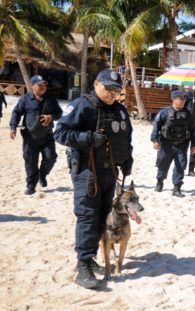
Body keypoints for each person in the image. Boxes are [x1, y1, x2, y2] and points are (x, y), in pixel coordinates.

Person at [54, 69, 134, 289]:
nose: (112, 93)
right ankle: (83, 264)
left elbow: (126, 137)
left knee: (104, 216)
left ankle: (93, 258)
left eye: (116, 90)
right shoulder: (83, 105)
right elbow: (60, 133)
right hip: (87, 172)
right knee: (88, 216)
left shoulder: (120, 111)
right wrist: (87, 138)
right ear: (97, 84)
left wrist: (128, 158)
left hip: (111, 171)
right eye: (108, 88)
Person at [10, 75, 62, 195]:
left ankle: (42, 175)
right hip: (30, 137)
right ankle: (31, 186)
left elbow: (59, 113)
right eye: (40, 85)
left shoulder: (51, 99)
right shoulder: (25, 99)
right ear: (33, 86)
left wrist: (51, 117)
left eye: (44, 85)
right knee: (30, 161)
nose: (43, 87)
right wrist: (13, 127)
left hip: (47, 135)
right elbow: (16, 112)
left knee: (51, 158)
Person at [151, 91, 195, 196]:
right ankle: (160, 182)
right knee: (163, 164)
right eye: (180, 98)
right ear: (174, 99)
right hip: (166, 144)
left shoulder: (188, 114)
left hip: (182, 145)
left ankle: (176, 188)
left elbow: (193, 130)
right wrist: (155, 140)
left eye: (184, 99)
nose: (183, 100)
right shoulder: (164, 112)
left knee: (180, 166)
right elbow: (156, 126)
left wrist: (194, 144)